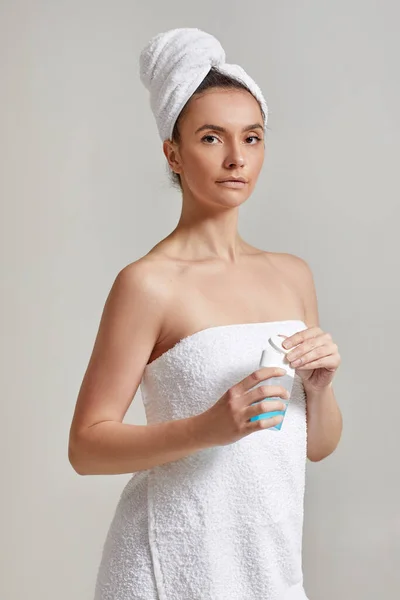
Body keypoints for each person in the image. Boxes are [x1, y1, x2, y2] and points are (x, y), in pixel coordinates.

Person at [68, 27, 342, 600]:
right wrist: (208, 428)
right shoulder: (147, 283)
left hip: (265, 557)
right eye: (212, 138)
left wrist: (318, 390)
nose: (237, 158)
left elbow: (313, 445)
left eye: (253, 137)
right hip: (170, 557)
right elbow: (86, 447)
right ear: (173, 152)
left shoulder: (293, 274)